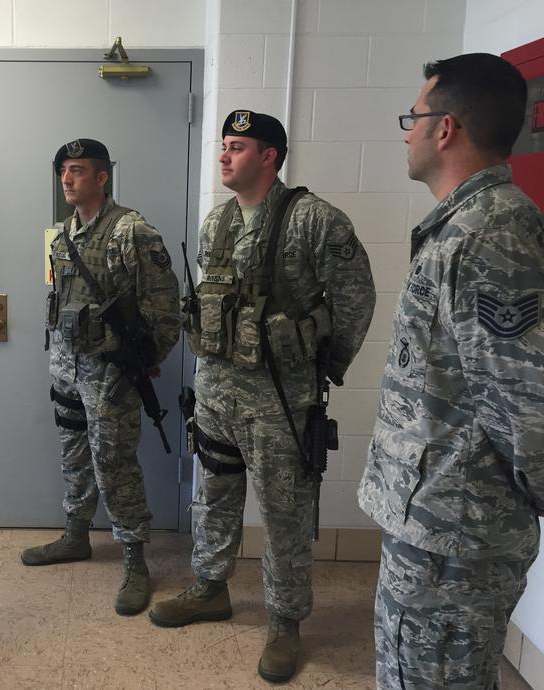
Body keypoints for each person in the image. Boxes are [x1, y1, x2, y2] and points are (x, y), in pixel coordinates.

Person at [149, 110, 376, 683]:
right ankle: (210, 587)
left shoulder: (314, 220)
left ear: (270, 155)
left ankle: (285, 622)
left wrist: (326, 364)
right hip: (218, 392)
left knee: (284, 516)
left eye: (239, 146)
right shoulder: (216, 223)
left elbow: (356, 298)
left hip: (279, 400)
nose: (224, 156)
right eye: (223, 145)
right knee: (214, 498)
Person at [358, 53, 544, 690]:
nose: (407, 132)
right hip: (436, 527)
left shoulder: (490, 233)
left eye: (412, 118)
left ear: (446, 129)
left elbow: (531, 406)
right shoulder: (462, 227)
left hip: (456, 543)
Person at [20, 138, 181, 616]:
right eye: (63, 171)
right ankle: (76, 536)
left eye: (77, 171)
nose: (67, 179)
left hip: (110, 374)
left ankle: (135, 559)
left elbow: (167, 312)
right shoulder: (61, 234)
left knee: (115, 464)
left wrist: (139, 363)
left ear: (102, 177)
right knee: (73, 455)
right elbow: (56, 297)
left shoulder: (132, 233)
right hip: (67, 369)